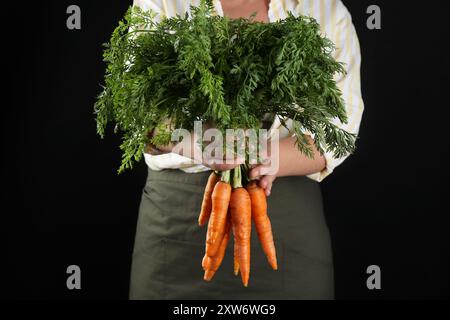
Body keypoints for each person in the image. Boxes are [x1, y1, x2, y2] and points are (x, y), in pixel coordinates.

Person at [129, 0, 363, 300]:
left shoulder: (325, 10)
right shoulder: (161, 2)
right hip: (175, 224)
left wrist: (266, 156)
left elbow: (338, 131)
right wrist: (203, 143)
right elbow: (140, 113)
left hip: (285, 223)